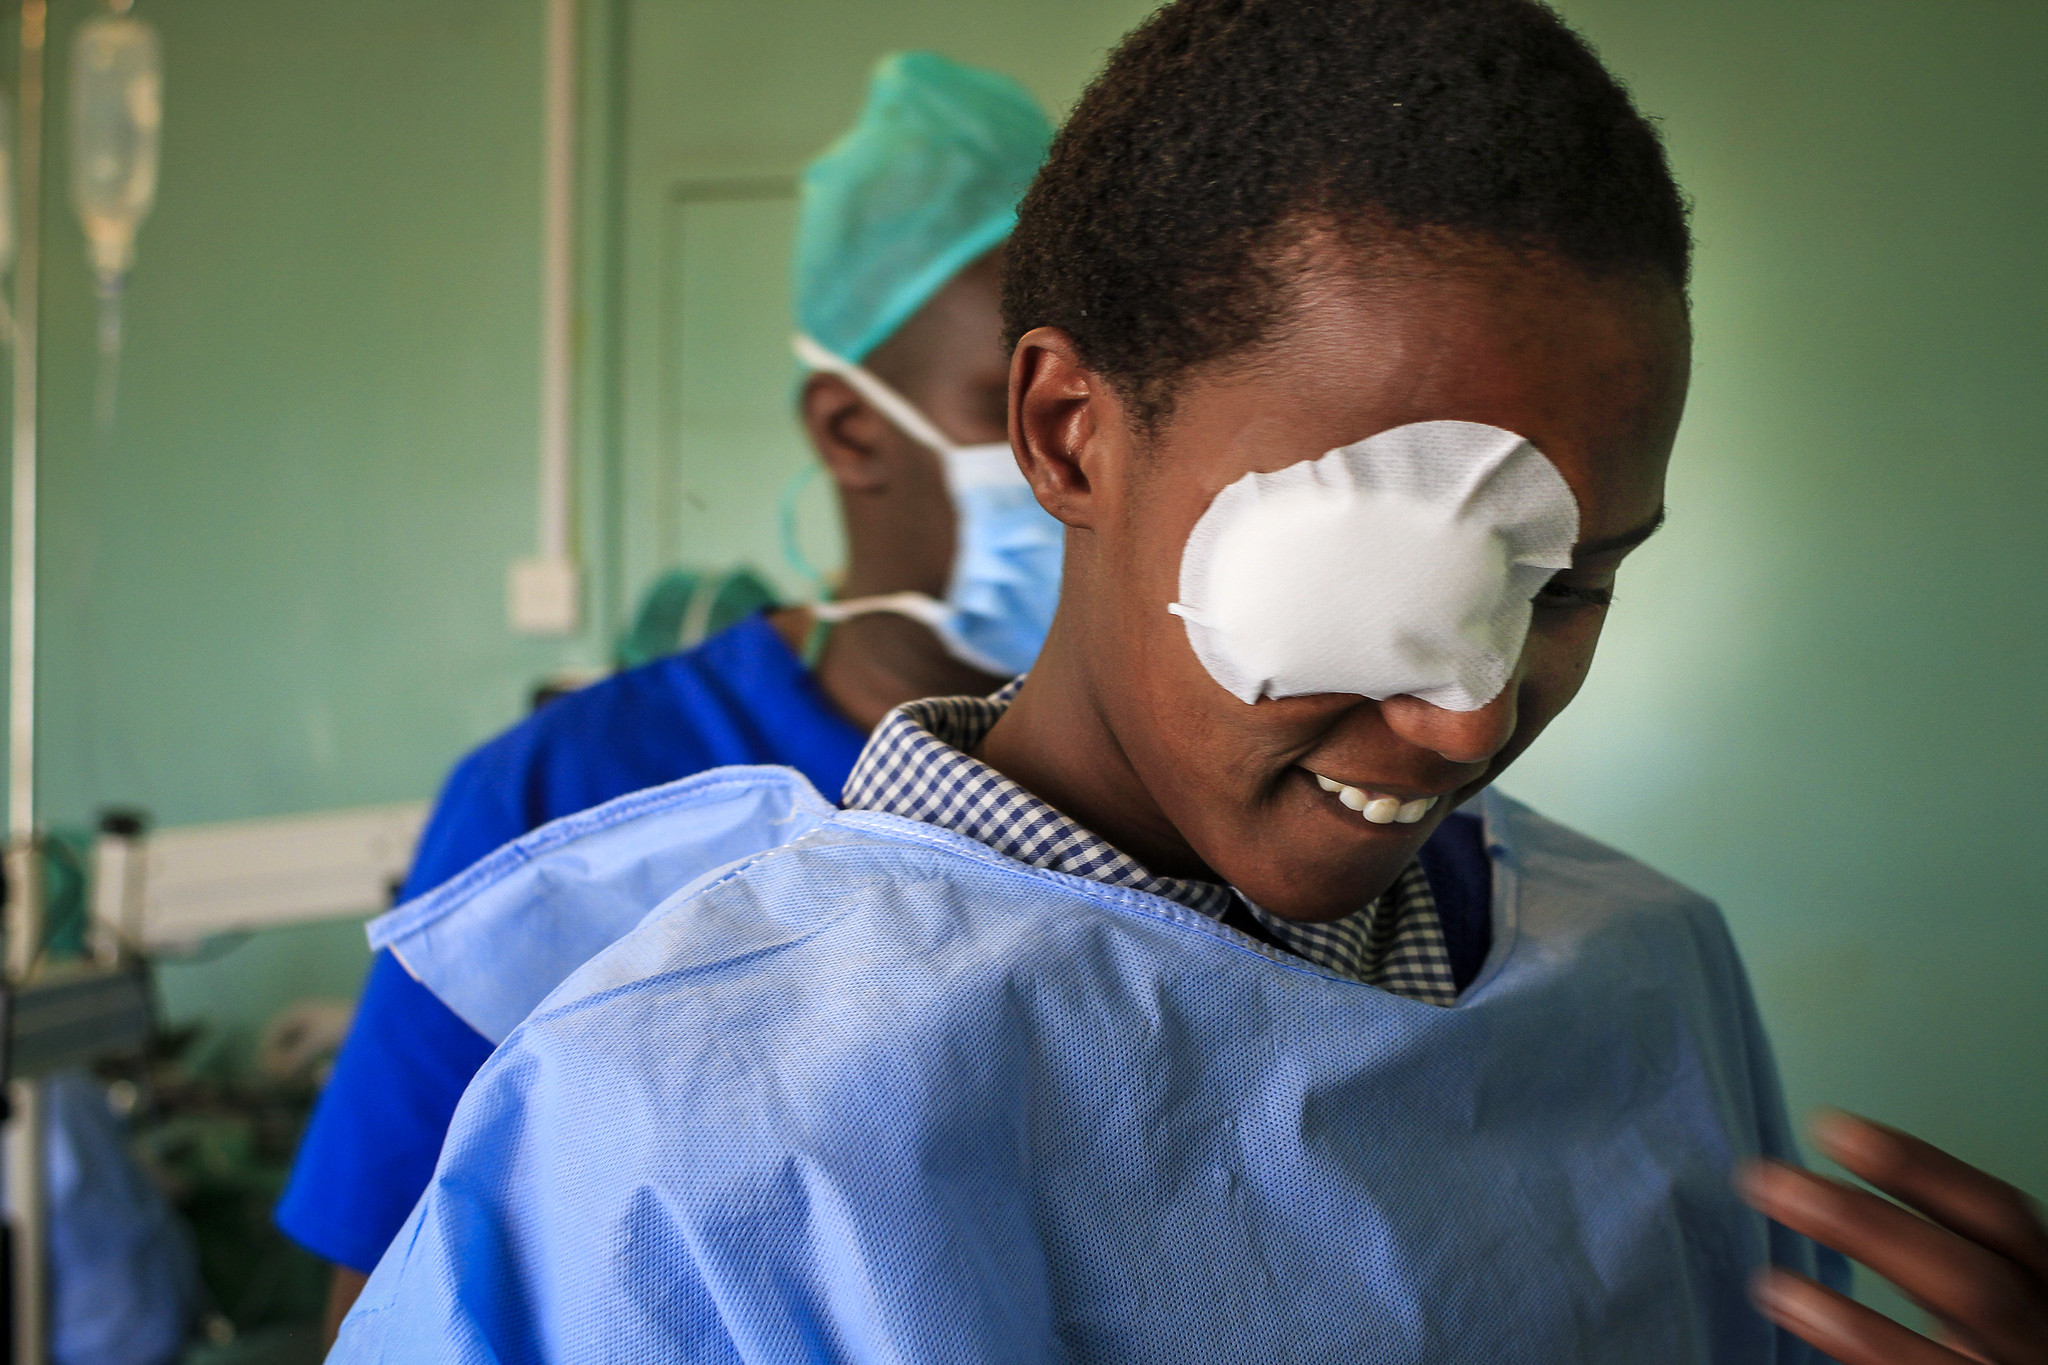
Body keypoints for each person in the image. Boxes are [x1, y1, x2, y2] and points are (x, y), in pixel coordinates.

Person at [330, 2, 2048, 1360]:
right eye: (1392, 582)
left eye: (1575, 582)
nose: (1472, 719)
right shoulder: (700, 1130)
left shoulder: (1642, 973)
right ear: (1070, 435)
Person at [273, 50, 1059, 1339]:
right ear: (852, 430)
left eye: (1107, 407)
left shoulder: (1158, 797)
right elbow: (391, 1285)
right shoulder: (564, 800)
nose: (1067, 458)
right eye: (1005, 407)